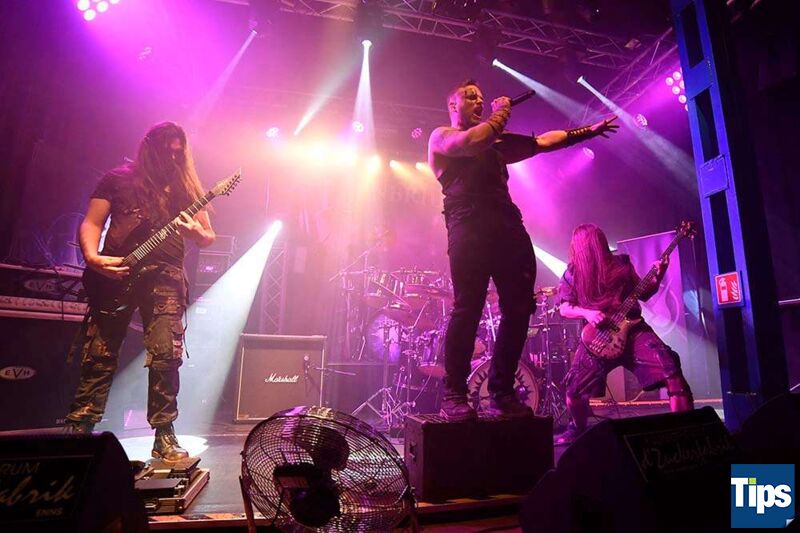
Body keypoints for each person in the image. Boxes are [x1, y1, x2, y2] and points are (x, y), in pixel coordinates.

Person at [427, 80, 618, 421]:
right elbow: (471, 142)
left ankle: (501, 392)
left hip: (507, 226)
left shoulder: (493, 142)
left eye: (482, 98)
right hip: (467, 226)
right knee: (467, 307)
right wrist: (502, 111)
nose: (479, 101)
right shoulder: (442, 137)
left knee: (519, 308)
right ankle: (454, 393)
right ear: (453, 105)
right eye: (471, 97)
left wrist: (586, 132)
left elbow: (542, 142)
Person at [65, 122, 215, 462]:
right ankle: (80, 426)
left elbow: (208, 235)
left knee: (166, 354)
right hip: (116, 273)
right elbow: (92, 222)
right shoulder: (117, 179)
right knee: (99, 352)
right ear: (149, 147)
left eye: (178, 153)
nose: (172, 158)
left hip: (165, 275)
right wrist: (92, 258)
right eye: (166, 151)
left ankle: (164, 434)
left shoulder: (185, 186)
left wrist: (196, 232)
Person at [555, 223, 694, 444]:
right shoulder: (572, 274)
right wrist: (588, 313)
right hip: (598, 336)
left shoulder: (621, 264)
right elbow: (564, 308)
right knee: (573, 391)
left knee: (671, 372)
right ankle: (577, 428)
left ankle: (687, 432)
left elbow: (643, 293)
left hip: (634, 331)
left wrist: (658, 276)